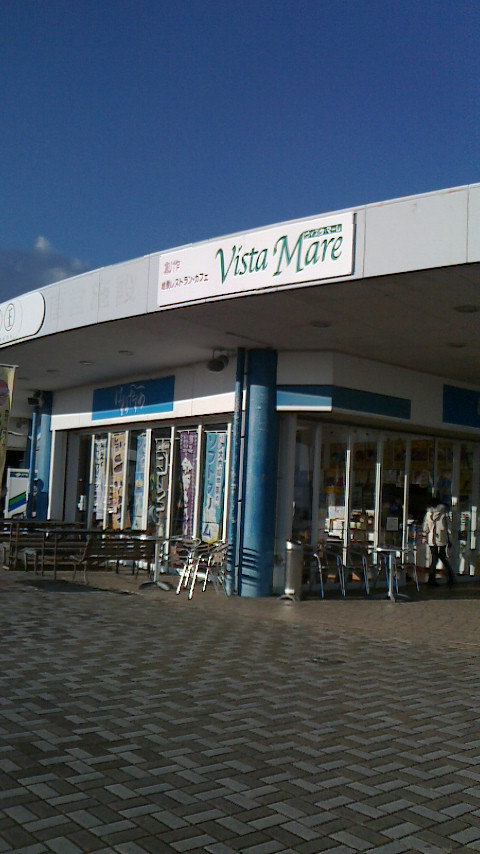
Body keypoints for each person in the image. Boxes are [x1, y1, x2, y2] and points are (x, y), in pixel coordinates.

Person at [423, 498, 455, 586]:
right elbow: (449, 528)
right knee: (442, 558)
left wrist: (426, 536)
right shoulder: (444, 514)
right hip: (442, 538)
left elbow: (425, 527)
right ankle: (450, 577)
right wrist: (450, 539)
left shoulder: (428, 514)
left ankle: (431, 579)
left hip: (432, 540)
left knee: (434, 559)